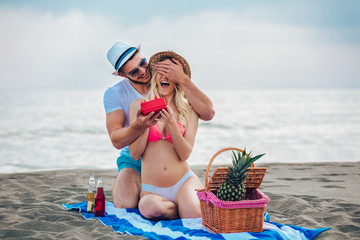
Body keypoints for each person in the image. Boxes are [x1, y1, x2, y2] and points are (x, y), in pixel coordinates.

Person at [104, 42, 215, 208]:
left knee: (189, 207)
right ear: (122, 75)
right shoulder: (116, 94)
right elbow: (116, 140)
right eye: (134, 71)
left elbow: (208, 113)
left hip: (170, 162)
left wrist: (183, 78)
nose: (143, 71)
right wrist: (139, 126)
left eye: (143, 63)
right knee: (125, 204)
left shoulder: (169, 82)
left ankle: (174, 198)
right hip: (134, 160)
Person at [129, 51, 203, 219]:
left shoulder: (189, 109)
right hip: (152, 188)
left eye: (171, 73)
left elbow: (185, 154)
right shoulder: (138, 106)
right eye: (162, 72)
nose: (166, 77)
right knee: (148, 208)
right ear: (155, 75)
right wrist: (144, 125)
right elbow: (134, 154)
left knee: (193, 213)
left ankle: (186, 205)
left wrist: (171, 124)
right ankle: (179, 208)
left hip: (183, 181)